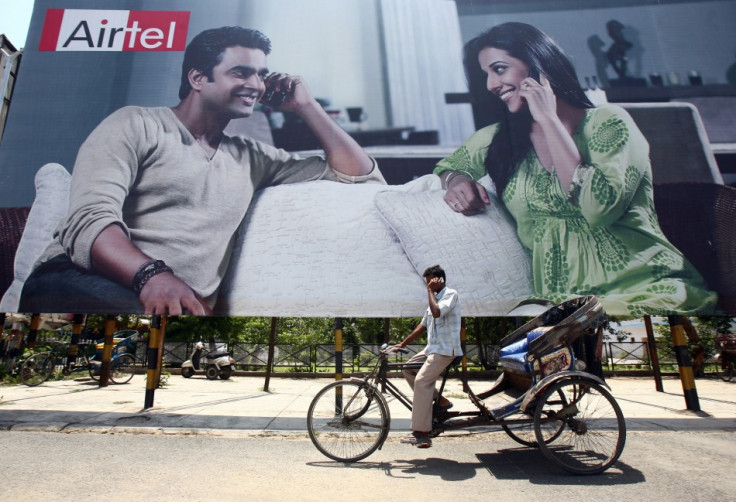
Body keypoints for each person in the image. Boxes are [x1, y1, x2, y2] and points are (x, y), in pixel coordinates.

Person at [19, 26, 384, 315]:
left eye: (262, 75)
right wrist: (153, 275)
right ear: (197, 78)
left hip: (174, 303)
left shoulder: (254, 157)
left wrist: (307, 107)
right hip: (75, 279)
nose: (256, 85)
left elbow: (359, 175)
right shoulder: (135, 124)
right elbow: (91, 219)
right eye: (241, 72)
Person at [433, 22, 716, 316]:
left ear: (537, 66)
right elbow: (449, 166)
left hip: (644, 289)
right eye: (486, 75)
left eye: (500, 69)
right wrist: (456, 180)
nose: (491, 84)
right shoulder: (498, 139)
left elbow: (598, 209)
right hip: (563, 304)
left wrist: (548, 120)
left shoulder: (609, 123)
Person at [395, 265, 462, 449]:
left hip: (446, 350)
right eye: (427, 282)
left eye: (431, 280)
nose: (428, 284)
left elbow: (437, 312)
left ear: (439, 280)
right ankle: (440, 400)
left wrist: (430, 291)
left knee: (421, 382)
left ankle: (422, 433)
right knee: (408, 369)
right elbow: (422, 325)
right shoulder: (433, 298)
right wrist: (402, 344)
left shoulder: (450, 294)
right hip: (432, 349)